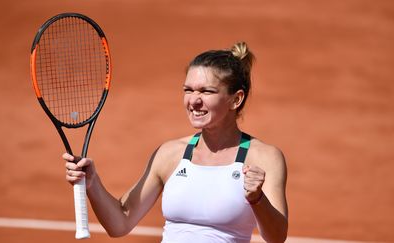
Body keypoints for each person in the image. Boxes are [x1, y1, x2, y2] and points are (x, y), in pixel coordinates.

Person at [64, 42, 288, 243]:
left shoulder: (264, 158)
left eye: (206, 91)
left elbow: (277, 237)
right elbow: (120, 223)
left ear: (236, 99)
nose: (194, 100)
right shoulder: (170, 154)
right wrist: (92, 183)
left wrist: (258, 199)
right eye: (188, 90)